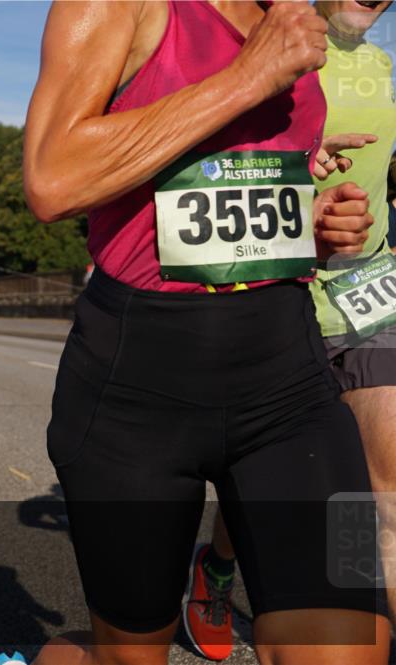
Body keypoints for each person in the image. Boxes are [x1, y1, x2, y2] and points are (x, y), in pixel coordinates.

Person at [24, 2, 388, 665]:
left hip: (290, 380)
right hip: (136, 386)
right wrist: (250, 75)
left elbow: (235, 185)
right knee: (129, 655)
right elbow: (53, 179)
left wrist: (311, 224)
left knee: (352, 645)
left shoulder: (295, 24)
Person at [181, 1, 396, 659]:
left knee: (382, 489)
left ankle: (362, 623)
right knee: (281, 472)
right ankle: (220, 560)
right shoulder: (258, 41)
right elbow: (205, 168)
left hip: (367, 294)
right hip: (277, 290)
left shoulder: (381, 66)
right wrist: (300, 173)